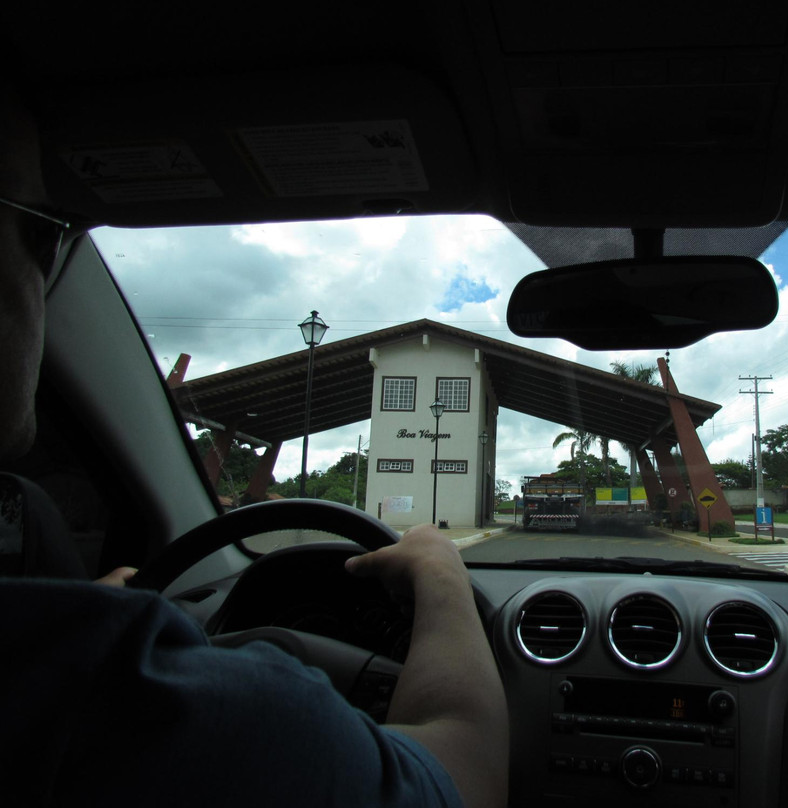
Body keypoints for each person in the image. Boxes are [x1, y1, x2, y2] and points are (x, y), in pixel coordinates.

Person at [0, 83, 508, 807]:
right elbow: (467, 771)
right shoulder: (130, 697)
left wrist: (99, 614)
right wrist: (443, 574)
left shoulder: (61, 656)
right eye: (43, 229)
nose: (45, 269)